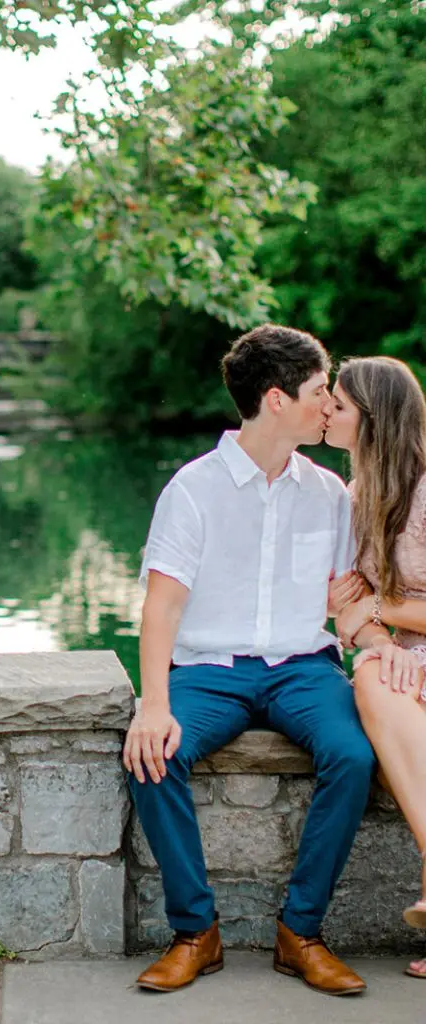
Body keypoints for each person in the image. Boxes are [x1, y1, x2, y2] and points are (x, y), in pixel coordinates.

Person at [123, 323, 405, 997]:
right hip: (209, 671)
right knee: (153, 756)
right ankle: (197, 933)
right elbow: (160, 609)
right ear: (276, 400)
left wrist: (385, 648)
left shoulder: (332, 494)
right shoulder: (193, 490)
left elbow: (350, 606)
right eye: (319, 390)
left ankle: (299, 933)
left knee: (354, 756)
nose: (330, 404)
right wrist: (153, 704)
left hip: (305, 669)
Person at [323, 355, 426, 980]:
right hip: (401, 656)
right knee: (370, 675)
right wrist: (377, 637)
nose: (328, 411)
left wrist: (382, 608)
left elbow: (368, 597)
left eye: (338, 403)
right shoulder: (355, 497)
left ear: (373, 415)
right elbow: (344, 611)